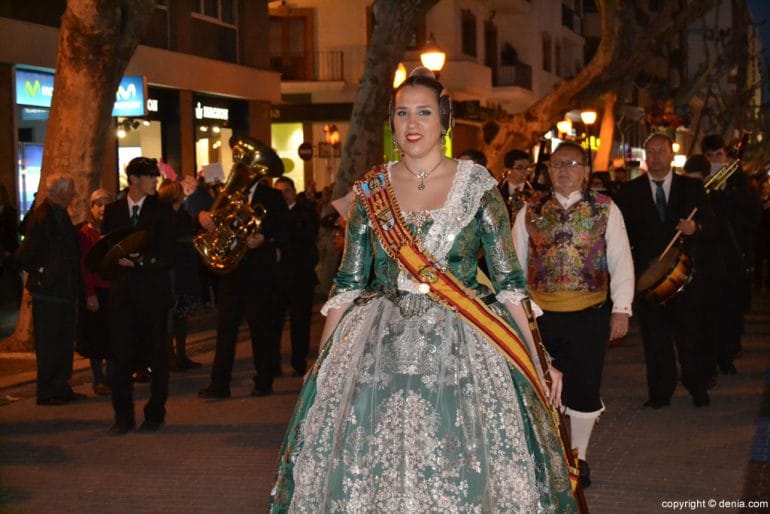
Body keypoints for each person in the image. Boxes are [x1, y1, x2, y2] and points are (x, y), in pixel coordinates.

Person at [270, 68, 577, 512]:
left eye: (424, 112)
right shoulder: (371, 190)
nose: (412, 124)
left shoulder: (477, 187)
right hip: (377, 350)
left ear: (444, 121)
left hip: (465, 349)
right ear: (391, 123)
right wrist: (324, 361)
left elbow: (509, 284)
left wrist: (539, 359)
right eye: (402, 113)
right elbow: (348, 283)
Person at [512, 141, 634, 489]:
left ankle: (578, 459)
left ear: (585, 170)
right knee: (541, 389)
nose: (563, 170)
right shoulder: (529, 210)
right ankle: (550, 457)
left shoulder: (606, 209)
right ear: (548, 170)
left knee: (583, 387)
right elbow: (515, 265)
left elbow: (622, 260)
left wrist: (621, 308)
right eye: (556, 164)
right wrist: (519, 314)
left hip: (589, 315)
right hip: (539, 316)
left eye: (571, 163)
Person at [614, 133, 714, 409]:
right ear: (646, 156)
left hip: (685, 276)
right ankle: (660, 392)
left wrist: (696, 229)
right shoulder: (630, 191)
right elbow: (621, 235)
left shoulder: (692, 188)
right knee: (655, 339)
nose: (656, 156)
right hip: (647, 279)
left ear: (672, 155)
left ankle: (697, 386)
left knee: (690, 335)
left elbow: (712, 226)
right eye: (651, 152)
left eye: (661, 151)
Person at [197, 159, 290, 399]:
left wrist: (265, 238)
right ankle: (219, 384)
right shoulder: (227, 196)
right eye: (241, 170)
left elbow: (284, 230)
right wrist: (203, 216)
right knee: (225, 329)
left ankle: (263, 381)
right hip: (231, 272)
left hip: (259, 272)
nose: (243, 175)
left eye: (249, 171)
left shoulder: (271, 196)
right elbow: (213, 224)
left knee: (260, 328)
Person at [102, 157, 173, 434]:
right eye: (150, 177)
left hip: (153, 294)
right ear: (133, 180)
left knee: (157, 356)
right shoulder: (113, 210)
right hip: (122, 296)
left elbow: (169, 253)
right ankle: (123, 417)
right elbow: (106, 248)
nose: (155, 181)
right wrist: (114, 261)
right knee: (119, 357)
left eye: (156, 177)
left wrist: (142, 262)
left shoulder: (162, 210)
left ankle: (155, 414)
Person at [16, 173, 84, 406]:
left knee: (63, 340)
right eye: (71, 190)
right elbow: (27, 254)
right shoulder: (43, 216)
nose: (74, 194)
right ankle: (47, 390)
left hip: (62, 288)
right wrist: (44, 272)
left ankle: (60, 385)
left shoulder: (58, 214)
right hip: (49, 290)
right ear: (60, 192)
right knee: (49, 341)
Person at [701, 134, 762, 374]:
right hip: (707, 256)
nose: (714, 160)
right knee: (708, 309)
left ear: (726, 156)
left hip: (733, 256)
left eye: (718, 155)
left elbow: (753, 215)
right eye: (709, 156)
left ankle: (727, 354)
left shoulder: (739, 181)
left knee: (731, 308)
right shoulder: (697, 180)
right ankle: (710, 354)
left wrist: (727, 194)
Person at [271, 177, 319, 377]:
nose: (283, 196)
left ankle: (298, 362)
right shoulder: (272, 214)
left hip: (300, 276)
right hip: (277, 277)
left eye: (286, 191)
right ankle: (272, 364)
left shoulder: (304, 212)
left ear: (293, 191)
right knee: (273, 323)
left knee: (300, 323)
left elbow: (307, 237)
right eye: (278, 192)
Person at [158, 180, 202, 372]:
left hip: (183, 269)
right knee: (170, 315)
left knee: (181, 316)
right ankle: (169, 356)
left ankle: (181, 355)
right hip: (172, 269)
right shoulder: (166, 216)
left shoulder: (182, 215)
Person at [77, 188, 115, 396]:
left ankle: (110, 377)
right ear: (91, 208)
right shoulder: (85, 233)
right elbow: (84, 266)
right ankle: (98, 379)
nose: (102, 208)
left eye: (106, 203)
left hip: (113, 289)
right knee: (95, 336)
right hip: (96, 290)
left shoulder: (113, 230)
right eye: (98, 204)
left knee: (111, 335)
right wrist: (89, 293)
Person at [499, 149, 533, 219]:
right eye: (520, 168)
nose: (525, 172)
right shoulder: (498, 191)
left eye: (527, 168)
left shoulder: (536, 190)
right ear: (508, 170)